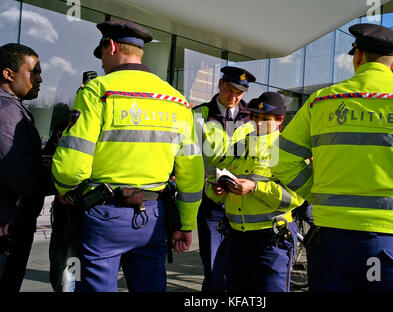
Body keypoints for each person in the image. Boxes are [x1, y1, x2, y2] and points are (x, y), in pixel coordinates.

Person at [271, 23, 393, 292]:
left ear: (357, 56)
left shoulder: (320, 101)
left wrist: (317, 192)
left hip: (331, 237)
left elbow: (281, 160)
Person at [51, 20, 204, 292]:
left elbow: (73, 163)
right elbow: (191, 174)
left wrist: (66, 189)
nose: (102, 65)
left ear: (110, 46)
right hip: (154, 217)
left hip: (104, 214)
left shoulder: (99, 91)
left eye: (101, 56)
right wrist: (186, 222)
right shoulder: (178, 101)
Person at [205, 91, 303, 292]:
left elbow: (296, 197)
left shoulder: (287, 149)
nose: (258, 123)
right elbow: (212, 182)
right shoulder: (238, 145)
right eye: (254, 117)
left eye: (265, 119)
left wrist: (255, 188)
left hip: (271, 240)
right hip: (236, 238)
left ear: (280, 120)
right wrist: (216, 187)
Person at [193, 66, 255, 292]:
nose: (234, 97)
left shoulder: (253, 118)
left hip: (243, 204)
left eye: (239, 93)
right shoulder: (198, 115)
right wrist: (209, 183)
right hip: (212, 203)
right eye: (229, 90)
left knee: (239, 269)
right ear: (219, 84)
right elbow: (189, 159)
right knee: (213, 268)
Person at [0, 43, 55, 292]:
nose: (39, 78)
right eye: (34, 71)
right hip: (9, 225)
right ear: (8, 74)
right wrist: (63, 177)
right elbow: (19, 175)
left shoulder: (12, 107)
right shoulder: (7, 111)